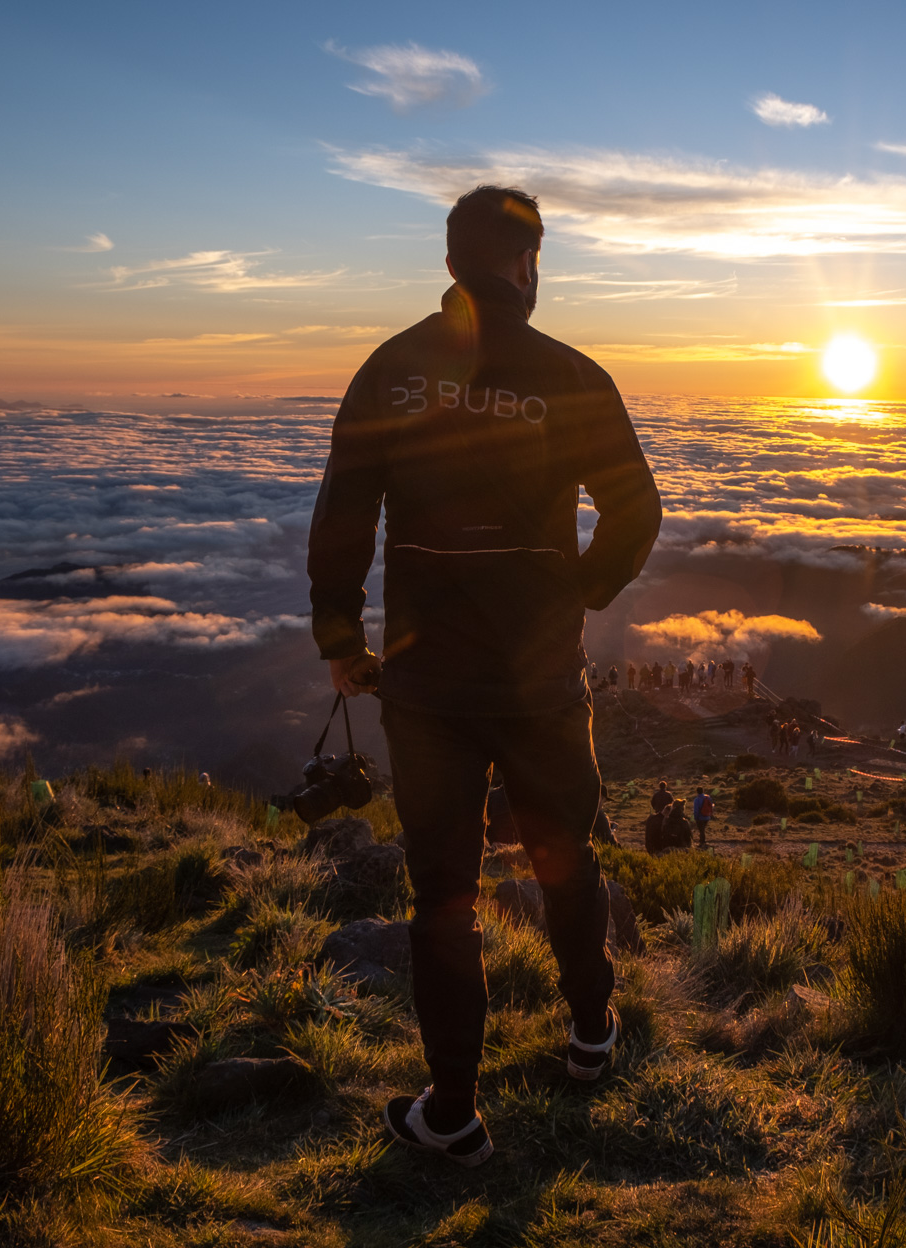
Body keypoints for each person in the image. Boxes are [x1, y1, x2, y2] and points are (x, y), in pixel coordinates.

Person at [308, 185, 661, 1166]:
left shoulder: (392, 371)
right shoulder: (572, 375)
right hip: (542, 674)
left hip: (427, 683)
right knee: (567, 857)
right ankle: (591, 1034)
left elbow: (345, 513)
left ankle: (453, 1114)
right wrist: (583, 591)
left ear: (454, 260)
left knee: (443, 897)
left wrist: (339, 635)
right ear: (521, 264)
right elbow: (637, 510)